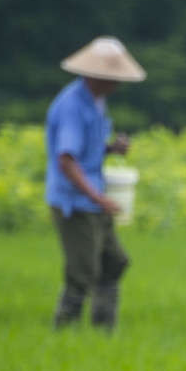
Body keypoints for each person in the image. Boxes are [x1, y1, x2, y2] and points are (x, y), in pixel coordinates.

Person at [45, 36, 146, 332]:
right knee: (82, 273)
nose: (117, 84)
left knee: (115, 261)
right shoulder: (72, 107)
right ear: (96, 76)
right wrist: (98, 199)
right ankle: (64, 333)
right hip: (74, 203)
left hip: (92, 198)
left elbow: (84, 151)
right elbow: (66, 160)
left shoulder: (95, 102)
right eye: (112, 78)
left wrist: (111, 149)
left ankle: (104, 331)